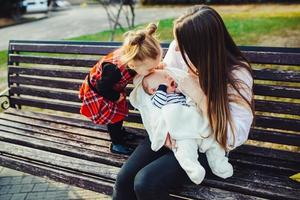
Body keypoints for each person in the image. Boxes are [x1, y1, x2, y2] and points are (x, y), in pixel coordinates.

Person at [113, 5, 254, 200]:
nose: (176, 49)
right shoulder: (178, 51)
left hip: (204, 142)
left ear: (202, 49)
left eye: (182, 46)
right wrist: (162, 128)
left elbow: (233, 136)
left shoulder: (237, 75)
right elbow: (155, 88)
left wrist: (199, 94)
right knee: (124, 179)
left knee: (146, 182)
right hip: (168, 131)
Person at [138, 69, 234, 185]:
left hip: (195, 125)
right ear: (154, 90)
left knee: (213, 144)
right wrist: (163, 89)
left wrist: (177, 88)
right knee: (185, 151)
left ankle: (219, 165)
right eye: (164, 78)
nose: (169, 78)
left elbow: (189, 97)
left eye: (168, 76)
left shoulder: (177, 93)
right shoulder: (158, 97)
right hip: (181, 132)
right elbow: (158, 103)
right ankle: (194, 169)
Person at [79, 23, 162, 155]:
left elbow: (139, 70)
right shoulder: (114, 70)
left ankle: (119, 133)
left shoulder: (135, 56)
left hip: (111, 88)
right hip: (100, 92)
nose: (153, 70)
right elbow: (102, 86)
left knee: (118, 116)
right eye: (150, 68)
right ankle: (116, 144)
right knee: (114, 117)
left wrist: (156, 67)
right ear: (134, 64)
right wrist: (116, 97)